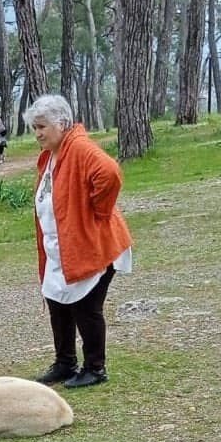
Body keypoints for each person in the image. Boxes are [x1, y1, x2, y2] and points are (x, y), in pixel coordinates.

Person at [25, 94, 132, 389]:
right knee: (57, 301)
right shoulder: (51, 156)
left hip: (91, 247)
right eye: (35, 128)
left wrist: (98, 210)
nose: (38, 134)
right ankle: (65, 362)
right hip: (60, 249)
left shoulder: (80, 148)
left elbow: (109, 173)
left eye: (42, 127)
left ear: (61, 123)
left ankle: (95, 367)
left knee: (86, 306)